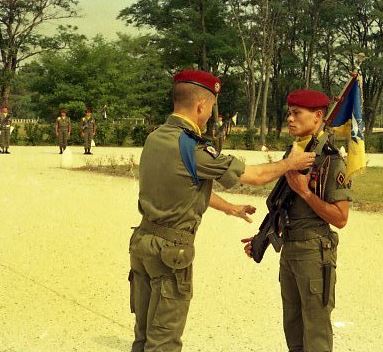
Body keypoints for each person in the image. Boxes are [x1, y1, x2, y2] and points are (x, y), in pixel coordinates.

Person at [128, 69, 316, 352]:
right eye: (212, 107)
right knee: (163, 341)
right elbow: (253, 175)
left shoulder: (155, 138)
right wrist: (290, 163)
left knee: (143, 336)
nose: (211, 114)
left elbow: (186, 189)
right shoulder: (192, 147)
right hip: (170, 252)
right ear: (201, 105)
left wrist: (231, 208)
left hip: (143, 244)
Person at [242, 89, 351, 352]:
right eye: (289, 113)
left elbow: (341, 218)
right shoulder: (292, 154)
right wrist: (261, 239)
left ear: (317, 117)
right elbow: (281, 206)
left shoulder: (330, 160)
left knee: (316, 333)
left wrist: (305, 192)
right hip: (290, 250)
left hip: (314, 252)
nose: (290, 118)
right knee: (293, 329)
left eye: (296, 113)